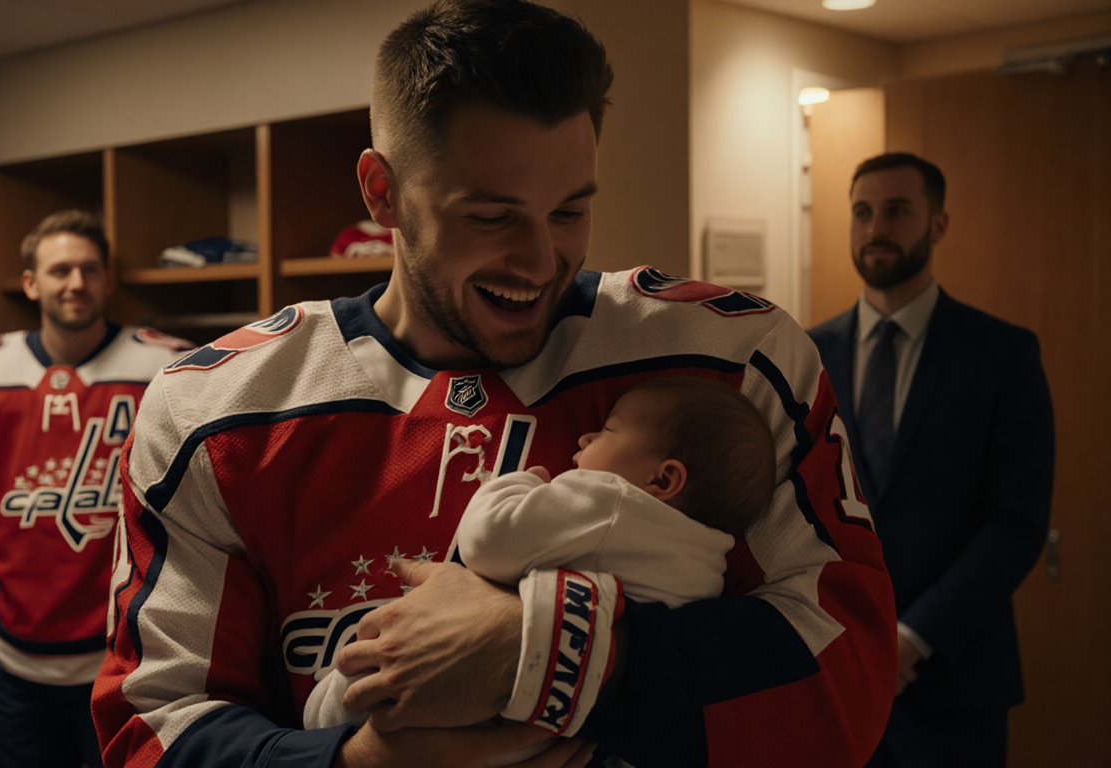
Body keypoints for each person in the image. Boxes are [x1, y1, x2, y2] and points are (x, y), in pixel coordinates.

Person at [94, 2, 897, 767]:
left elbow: (846, 678)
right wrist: (358, 762)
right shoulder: (216, 409)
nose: (542, 259)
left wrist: (538, 651)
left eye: (570, 211)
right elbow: (154, 729)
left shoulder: (729, 357)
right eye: (491, 216)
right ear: (383, 193)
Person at [303, 376, 777, 737]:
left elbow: (488, 542)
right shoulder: (709, 563)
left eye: (608, 430)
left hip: (498, 686)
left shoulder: (610, 502)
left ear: (662, 481)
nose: (586, 440)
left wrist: (519, 482)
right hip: (574, 720)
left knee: (351, 687)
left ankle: (325, 718)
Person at [0, 210, 193, 768]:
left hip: (126, 659)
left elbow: (199, 516)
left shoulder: (169, 367)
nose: (75, 284)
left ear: (108, 280)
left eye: (89, 270)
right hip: (13, 662)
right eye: (60, 270)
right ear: (30, 283)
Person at [808, 152, 1054, 767]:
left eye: (896, 211)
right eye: (862, 213)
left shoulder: (1003, 355)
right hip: (834, 672)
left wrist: (913, 641)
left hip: (955, 676)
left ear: (937, 225)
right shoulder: (807, 353)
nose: (875, 229)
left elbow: (1016, 523)